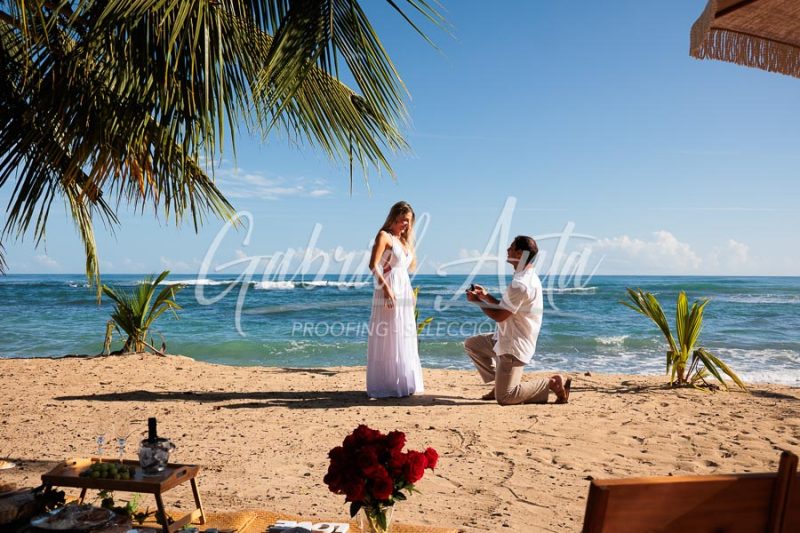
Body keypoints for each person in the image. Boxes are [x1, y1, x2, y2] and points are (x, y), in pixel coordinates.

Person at [464, 235, 571, 405]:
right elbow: (507, 308)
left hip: (513, 346)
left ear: (520, 254)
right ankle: (501, 380)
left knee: (505, 398)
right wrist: (486, 297)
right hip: (505, 338)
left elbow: (500, 316)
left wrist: (476, 302)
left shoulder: (520, 284)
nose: (507, 250)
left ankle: (551, 383)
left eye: (511, 247)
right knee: (472, 344)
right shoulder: (525, 277)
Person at [365, 201, 424, 398]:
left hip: (403, 289)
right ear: (394, 217)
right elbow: (373, 265)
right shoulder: (384, 236)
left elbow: (402, 271)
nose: (406, 224)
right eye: (403, 220)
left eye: (409, 222)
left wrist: (410, 296)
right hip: (388, 289)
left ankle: (402, 381)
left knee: (403, 334)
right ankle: (386, 383)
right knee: (389, 334)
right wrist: (386, 289)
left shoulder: (404, 242)